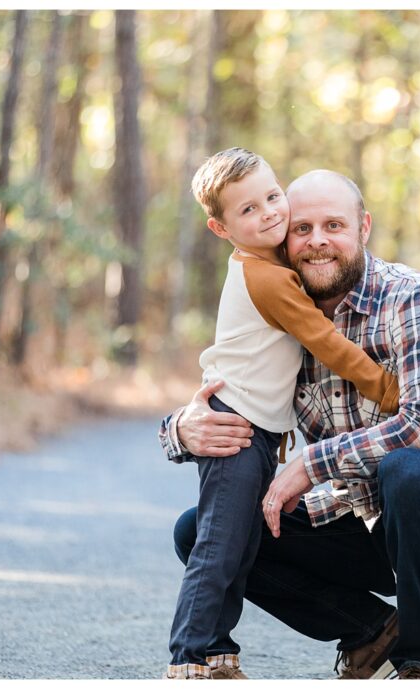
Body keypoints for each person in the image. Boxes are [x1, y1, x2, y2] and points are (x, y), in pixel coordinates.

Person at [164, 169, 420, 680]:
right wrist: (182, 429)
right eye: (303, 228)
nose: (318, 242)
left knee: (409, 471)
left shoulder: (415, 299)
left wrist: (311, 463)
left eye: (333, 226)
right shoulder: (285, 314)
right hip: (370, 527)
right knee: (199, 530)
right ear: (284, 237)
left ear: (363, 228)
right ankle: (372, 630)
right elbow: (231, 385)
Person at [160, 150, 400, 680]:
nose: (269, 213)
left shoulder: (269, 262)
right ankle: (189, 659)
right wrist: (386, 389)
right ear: (221, 228)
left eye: (273, 197)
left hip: (257, 430)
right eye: (249, 210)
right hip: (237, 427)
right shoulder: (271, 279)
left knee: (242, 545)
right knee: (221, 546)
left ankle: (219, 653)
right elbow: (325, 341)